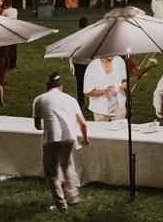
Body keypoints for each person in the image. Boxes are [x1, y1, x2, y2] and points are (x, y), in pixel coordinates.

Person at [33, 73, 89, 209]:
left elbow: (38, 126)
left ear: (47, 88)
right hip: (69, 137)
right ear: (61, 87)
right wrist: (85, 137)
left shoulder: (39, 99)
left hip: (52, 138)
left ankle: (61, 205)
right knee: (67, 165)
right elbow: (83, 123)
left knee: (52, 174)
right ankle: (73, 196)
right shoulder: (70, 99)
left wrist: (47, 123)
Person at [84, 55, 128, 121]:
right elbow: (87, 92)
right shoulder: (92, 66)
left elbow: (124, 78)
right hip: (100, 108)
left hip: (119, 105)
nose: (112, 53)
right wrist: (105, 91)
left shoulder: (119, 61)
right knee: (102, 127)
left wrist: (125, 83)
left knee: (120, 127)